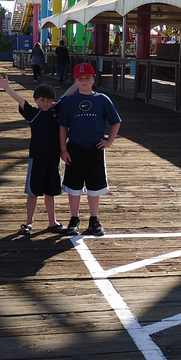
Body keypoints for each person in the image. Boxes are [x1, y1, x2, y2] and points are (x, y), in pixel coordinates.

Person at [0, 73, 70, 234]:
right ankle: (29, 222)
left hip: (54, 158)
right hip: (36, 158)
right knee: (33, 192)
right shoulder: (33, 114)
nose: (45, 103)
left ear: (53, 101)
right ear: (36, 100)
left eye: (49, 100)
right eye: (42, 100)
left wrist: (79, 81)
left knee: (51, 192)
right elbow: (21, 100)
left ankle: (52, 222)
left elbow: (67, 94)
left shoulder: (56, 111)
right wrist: (7, 87)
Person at [57, 61, 121, 237]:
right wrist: (63, 150)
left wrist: (109, 142)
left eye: (87, 78)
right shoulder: (69, 101)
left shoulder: (102, 99)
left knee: (95, 186)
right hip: (74, 148)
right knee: (73, 186)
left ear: (93, 79)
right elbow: (62, 127)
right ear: (75, 81)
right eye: (80, 78)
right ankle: (74, 218)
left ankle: (94, 219)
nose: (84, 81)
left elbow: (116, 122)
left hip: (95, 148)